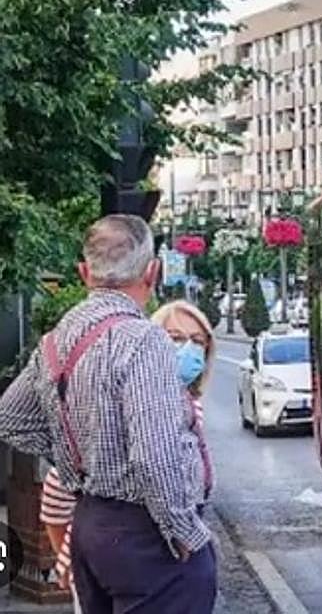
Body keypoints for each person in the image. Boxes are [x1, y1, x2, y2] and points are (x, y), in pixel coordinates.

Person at [0, 215, 215, 614]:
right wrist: (184, 530)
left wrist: (77, 451)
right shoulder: (144, 339)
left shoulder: (55, 340)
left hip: (90, 526)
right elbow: (155, 454)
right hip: (147, 536)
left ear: (84, 272)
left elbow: (10, 417)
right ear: (153, 272)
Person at [39, 300, 216, 607]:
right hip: (138, 555)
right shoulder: (132, 403)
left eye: (198, 341)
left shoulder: (187, 403)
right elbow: (58, 488)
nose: (187, 349)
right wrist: (67, 556)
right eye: (173, 338)